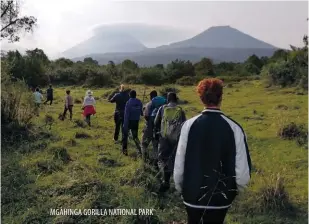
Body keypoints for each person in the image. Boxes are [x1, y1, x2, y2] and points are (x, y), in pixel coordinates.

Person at [173, 78, 252, 224]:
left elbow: (179, 163)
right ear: (221, 97)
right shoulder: (234, 128)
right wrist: (237, 191)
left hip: (192, 195)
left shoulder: (188, 126)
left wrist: (180, 187)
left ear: (201, 98)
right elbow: (242, 171)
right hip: (222, 199)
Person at [154, 92, 186, 193]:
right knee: (175, 158)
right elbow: (184, 125)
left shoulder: (162, 108)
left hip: (164, 138)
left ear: (167, 99)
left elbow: (156, 122)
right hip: (176, 139)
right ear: (176, 99)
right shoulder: (180, 110)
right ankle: (178, 183)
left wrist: (157, 133)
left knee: (163, 158)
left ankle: (166, 181)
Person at [141, 90, 166, 164]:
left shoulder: (150, 104)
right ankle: (156, 162)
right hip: (161, 128)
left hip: (150, 126)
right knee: (156, 145)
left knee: (144, 143)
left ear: (151, 96)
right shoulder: (164, 103)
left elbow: (146, 116)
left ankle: (144, 160)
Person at [122, 90, 143, 156]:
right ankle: (140, 150)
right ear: (135, 95)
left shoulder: (128, 102)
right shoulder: (139, 102)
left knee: (125, 136)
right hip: (136, 121)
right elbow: (141, 113)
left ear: (130, 95)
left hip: (129, 121)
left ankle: (125, 151)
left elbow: (126, 115)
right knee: (135, 137)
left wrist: (125, 125)